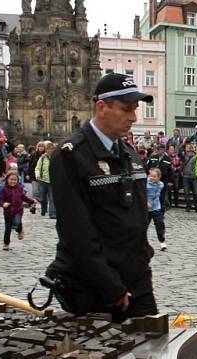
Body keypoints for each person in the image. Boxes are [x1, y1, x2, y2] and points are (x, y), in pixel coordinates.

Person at [45, 72, 157, 321]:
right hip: (94, 286)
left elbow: (136, 217)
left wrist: (142, 262)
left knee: (153, 350)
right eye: (126, 109)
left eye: (135, 109)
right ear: (101, 107)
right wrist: (111, 286)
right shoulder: (71, 155)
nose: (133, 117)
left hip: (136, 281)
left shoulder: (128, 153)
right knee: (102, 357)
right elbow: (77, 232)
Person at [0, 171, 36, 250]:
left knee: (17, 222)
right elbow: (0, 200)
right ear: (7, 180)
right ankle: (6, 243)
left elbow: (23, 197)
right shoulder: (4, 189)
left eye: (15, 180)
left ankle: (19, 230)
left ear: (17, 180)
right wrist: (3, 204)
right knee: (8, 229)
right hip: (8, 212)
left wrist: (32, 201)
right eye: (11, 180)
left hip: (18, 210)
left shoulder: (19, 188)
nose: (13, 181)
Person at [146, 167, 166, 250]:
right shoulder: (145, 184)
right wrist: (146, 202)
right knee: (144, 226)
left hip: (156, 207)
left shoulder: (161, 184)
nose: (152, 178)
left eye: (154, 176)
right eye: (151, 176)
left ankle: (162, 242)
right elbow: (141, 194)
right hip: (146, 208)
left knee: (159, 224)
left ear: (159, 177)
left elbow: (160, 195)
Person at [181, 142, 197, 211]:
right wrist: (183, 143)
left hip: (194, 177)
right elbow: (179, 150)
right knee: (186, 193)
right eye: (187, 147)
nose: (188, 148)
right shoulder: (182, 155)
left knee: (196, 193)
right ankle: (188, 206)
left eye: (190, 147)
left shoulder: (196, 155)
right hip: (185, 176)